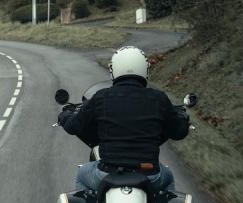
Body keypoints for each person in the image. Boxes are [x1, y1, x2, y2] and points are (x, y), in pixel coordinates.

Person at [57, 46, 190, 193]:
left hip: (107, 173)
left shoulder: (102, 97)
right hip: (150, 174)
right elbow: (179, 132)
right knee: (168, 177)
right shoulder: (159, 98)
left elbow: (74, 126)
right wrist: (183, 117)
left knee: (82, 175)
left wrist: (64, 116)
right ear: (144, 69)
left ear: (114, 70)